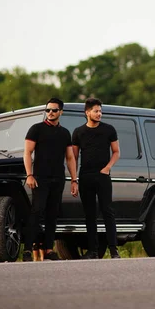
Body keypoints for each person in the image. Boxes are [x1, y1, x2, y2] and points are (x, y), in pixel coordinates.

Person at [22, 98, 78, 261]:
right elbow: (27, 153)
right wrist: (29, 175)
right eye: (48, 110)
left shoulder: (65, 133)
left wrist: (74, 179)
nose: (50, 113)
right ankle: (27, 250)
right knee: (36, 212)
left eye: (54, 110)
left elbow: (70, 158)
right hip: (40, 178)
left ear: (61, 111)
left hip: (58, 179)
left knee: (53, 214)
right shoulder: (36, 129)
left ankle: (48, 250)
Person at [72, 98, 121, 259]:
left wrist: (107, 168)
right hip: (85, 176)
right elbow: (73, 156)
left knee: (108, 211)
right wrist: (74, 179)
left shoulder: (109, 130)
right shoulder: (78, 132)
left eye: (100, 111)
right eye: (96, 111)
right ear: (87, 112)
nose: (99, 114)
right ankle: (93, 251)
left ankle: (113, 250)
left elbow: (116, 152)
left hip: (103, 176)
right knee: (90, 214)